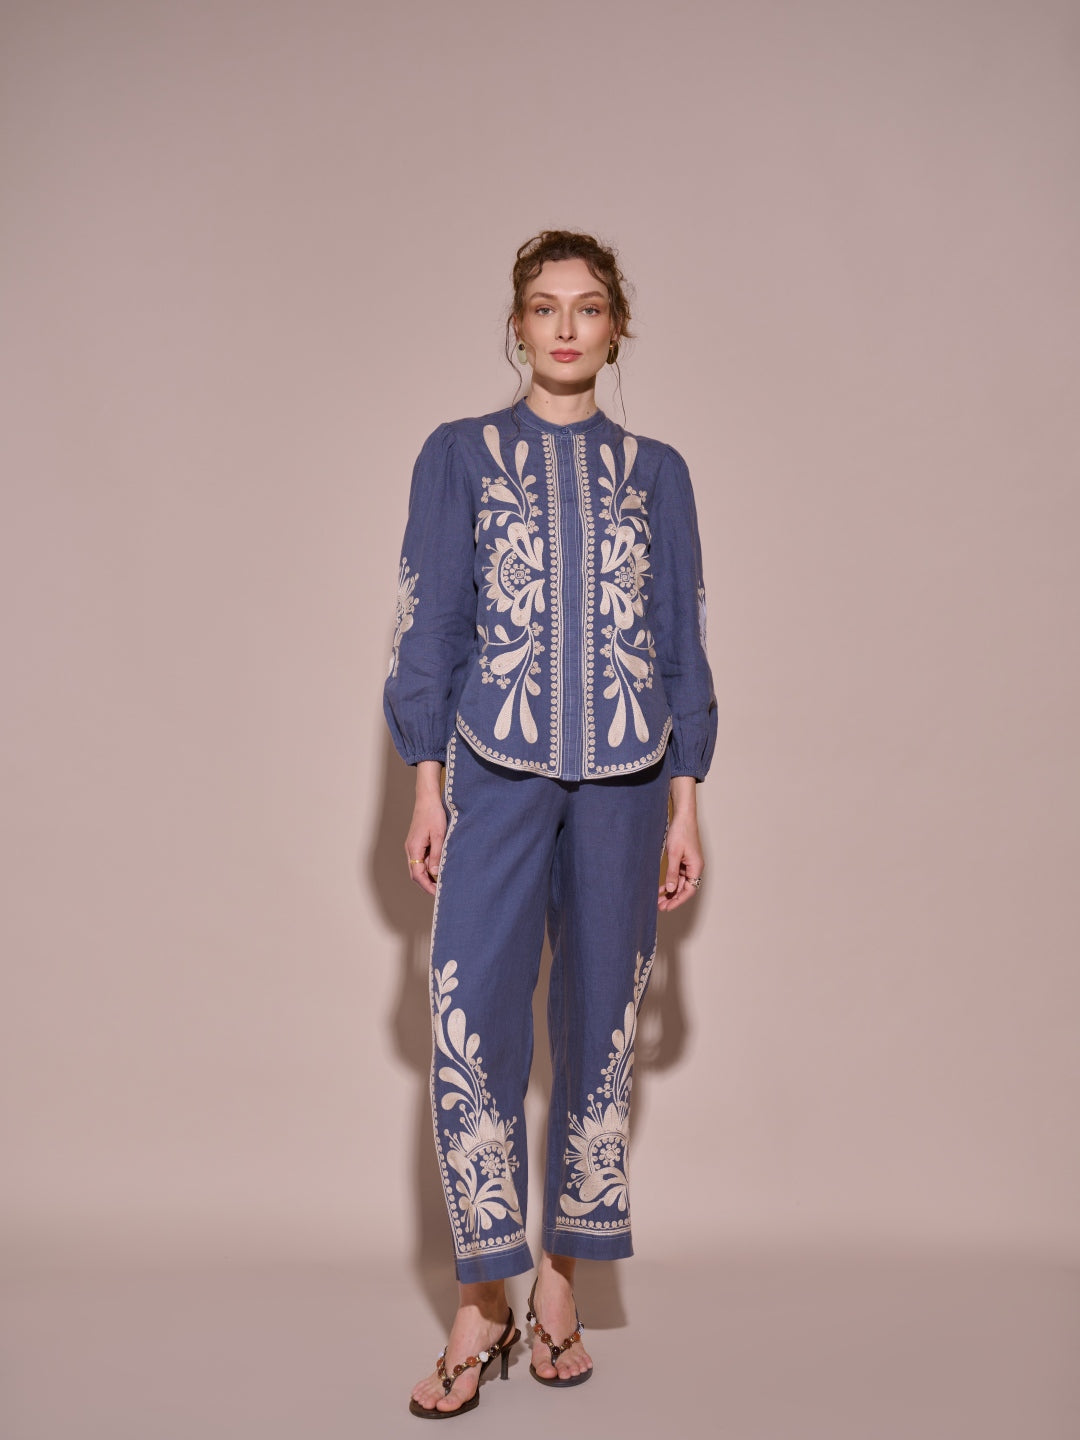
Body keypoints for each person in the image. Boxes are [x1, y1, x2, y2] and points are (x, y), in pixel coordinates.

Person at [383, 229, 717, 1418]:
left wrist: (686, 804)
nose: (565, 326)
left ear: (616, 328)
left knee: (599, 1027)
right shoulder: (458, 455)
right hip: (495, 767)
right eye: (543, 306)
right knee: (472, 1018)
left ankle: (563, 1285)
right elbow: (431, 627)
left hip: (631, 778)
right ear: (517, 326)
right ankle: (483, 1301)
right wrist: (426, 784)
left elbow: (680, 641)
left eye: (587, 307)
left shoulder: (659, 473)